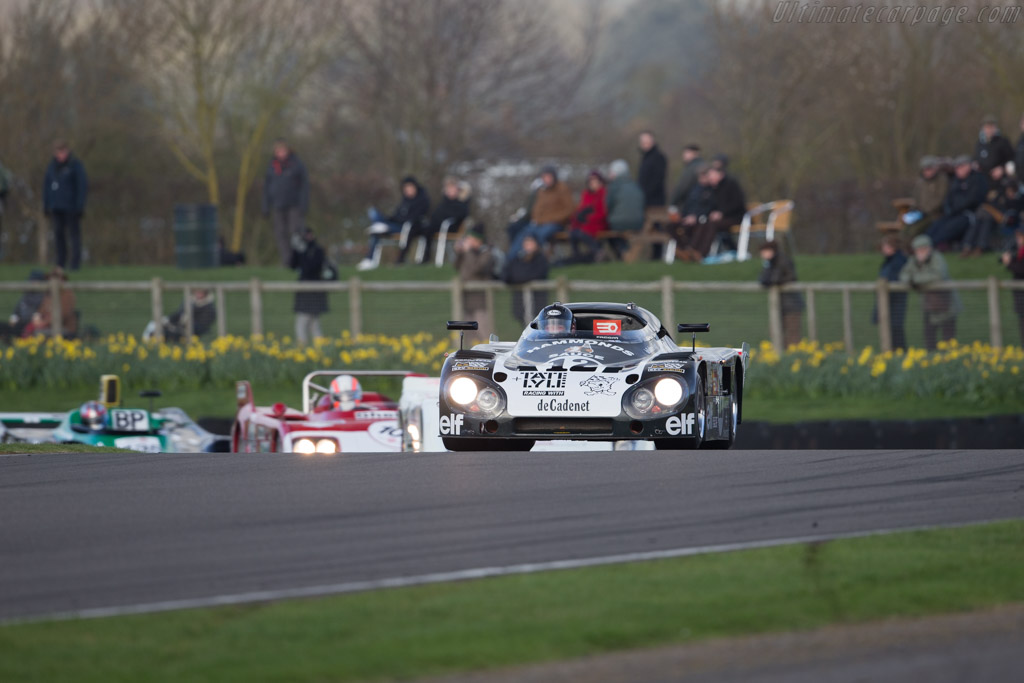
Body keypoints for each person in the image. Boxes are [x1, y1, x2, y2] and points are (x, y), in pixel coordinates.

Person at [900, 235, 961, 350]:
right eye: (917, 250)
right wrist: (910, 280)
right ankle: (931, 360)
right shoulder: (913, 261)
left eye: (923, 249)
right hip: (929, 305)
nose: (920, 252)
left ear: (929, 249)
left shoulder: (937, 258)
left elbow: (938, 275)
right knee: (929, 335)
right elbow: (904, 274)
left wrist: (916, 280)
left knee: (948, 337)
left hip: (947, 304)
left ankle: (949, 360)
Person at [675, 163, 746, 261]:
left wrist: (722, 213)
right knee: (703, 224)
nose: (710, 179)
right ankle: (691, 250)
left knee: (711, 225)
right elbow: (711, 206)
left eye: (712, 176)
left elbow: (738, 204)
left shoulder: (731, 184)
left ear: (720, 175)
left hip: (734, 217)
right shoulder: (714, 188)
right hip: (720, 219)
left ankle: (700, 253)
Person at [358, 175, 430, 271]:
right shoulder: (404, 201)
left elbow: (416, 218)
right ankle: (369, 259)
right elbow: (396, 216)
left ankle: (380, 225)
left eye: (409, 187)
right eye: (405, 188)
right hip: (395, 224)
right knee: (374, 216)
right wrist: (388, 219)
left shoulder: (422, 200)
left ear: (415, 187)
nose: (407, 190)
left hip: (407, 228)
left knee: (378, 228)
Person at [398, 176, 469, 265]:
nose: (449, 190)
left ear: (457, 189)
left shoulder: (461, 202)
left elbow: (460, 216)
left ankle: (426, 258)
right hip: (438, 226)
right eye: (448, 188)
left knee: (428, 230)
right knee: (417, 228)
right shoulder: (444, 202)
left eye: (452, 188)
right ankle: (403, 257)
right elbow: (436, 215)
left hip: (450, 227)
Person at [506, 166, 574, 257]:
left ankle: (533, 258)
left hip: (556, 224)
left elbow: (569, 209)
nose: (547, 179)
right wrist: (537, 219)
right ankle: (511, 259)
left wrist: (550, 219)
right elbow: (536, 209)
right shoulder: (542, 191)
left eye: (549, 177)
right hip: (539, 223)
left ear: (554, 177)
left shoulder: (562, 189)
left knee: (539, 235)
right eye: (544, 177)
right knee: (523, 234)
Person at [262, 138, 309, 267]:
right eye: (278, 151)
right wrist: (265, 206)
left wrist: (303, 204)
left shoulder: (297, 164)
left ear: (288, 150)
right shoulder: (272, 166)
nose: (280, 153)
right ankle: (287, 262)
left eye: (283, 150)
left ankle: (300, 260)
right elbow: (267, 186)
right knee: (280, 234)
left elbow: (304, 186)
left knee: (296, 233)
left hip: (295, 205)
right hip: (277, 205)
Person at [42, 141, 88, 270]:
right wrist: (46, 205)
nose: (60, 154)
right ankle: (60, 263)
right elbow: (46, 187)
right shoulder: (51, 166)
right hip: (56, 207)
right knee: (58, 235)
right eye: (58, 151)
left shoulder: (75, 165)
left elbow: (82, 186)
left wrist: (80, 205)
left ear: (67, 151)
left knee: (74, 236)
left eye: (62, 151)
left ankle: (75, 264)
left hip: (72, 207)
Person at [926, 155, 987, 250]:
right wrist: (948, 208)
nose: (957, 170)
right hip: (952, 213)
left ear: (968, 166)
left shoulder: (977, 179)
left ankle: (931, 245)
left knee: (949, 228)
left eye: (960, 167)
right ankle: (924, 243)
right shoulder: (956, 181)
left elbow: (973, 199)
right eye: (956, 168)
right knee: (936, 225)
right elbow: (948, 197)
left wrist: (956, 208)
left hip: (968, 214)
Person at [961, 164, 1020, 257]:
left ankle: (969, 246)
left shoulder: (1016, 199)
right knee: (981, 220)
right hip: (992, 216)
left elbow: (1010, 211)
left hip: (1004, 219)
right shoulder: (999, 192)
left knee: (983, 218)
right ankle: (975, 247)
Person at [454, 223, 495, 345]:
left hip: (481, 302)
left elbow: (476, 268)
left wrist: (469, 251)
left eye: (471, 239)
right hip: (467, 301)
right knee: (469, 336)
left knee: (484, 334)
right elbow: (456, 267)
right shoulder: (467, 254)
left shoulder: (486, 253)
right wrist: (459, 253)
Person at [758, 241, 804, 349]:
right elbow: (763, 278)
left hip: (791, 304)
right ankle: (778, 354)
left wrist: (773, 280)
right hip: (778, 305)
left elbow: (786, 277)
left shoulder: (783, 261)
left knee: (792, 334)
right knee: (775, 331)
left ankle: (792, 356)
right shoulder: (769, 263)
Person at [290, 227, 328, 346]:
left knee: (306, 322)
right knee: (312, 323)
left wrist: (303, 251)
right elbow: (292, 265)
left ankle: (304, 347)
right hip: (304, 288)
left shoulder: (317, 250)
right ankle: (316, 347)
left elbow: (311, 268)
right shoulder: (301, 250)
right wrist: (296, 250)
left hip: (314, 289)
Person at [504, 234, 549, 325]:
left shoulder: (541, 259)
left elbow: (534, 275)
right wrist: (518, 277)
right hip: (520, 302)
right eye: (526, 243)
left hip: (537, 302)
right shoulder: (517, 259)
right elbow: (506, 275)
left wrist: (517, 277)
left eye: (530, 243)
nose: (527, 246)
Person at [872, 235, 909, 351]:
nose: (884, 249)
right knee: (890, 329)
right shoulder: (888, 261)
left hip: (895, 301)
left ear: (894, 247)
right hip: (887, 301)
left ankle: (899, 354)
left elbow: (893, 280)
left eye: (886, 246)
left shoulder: (898, 261)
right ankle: (894, 354)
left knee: (895, 328)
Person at [143, 288, 216, 343]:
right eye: (197, 292)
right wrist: (168, 321)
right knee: (154, 324)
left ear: (205, 294)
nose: (198, 294)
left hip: (191, 331)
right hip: (179, 326)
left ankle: (152, 344)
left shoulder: (208, 307)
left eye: (201, 293)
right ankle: (147, 343)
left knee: (166, 333)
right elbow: (178, 314)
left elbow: (202, 325)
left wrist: (182, 325)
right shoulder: (189, 302)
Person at [605, 159, 645, 259]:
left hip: (618, 223)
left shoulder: (614, 186)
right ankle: (626, 254)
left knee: (609, 233)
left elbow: (608, 205)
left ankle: (623, 254)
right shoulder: (635, 185)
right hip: (638, 222)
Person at [566, 170, 608, 263]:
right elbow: (580, 209)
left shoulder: (603, 193)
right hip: (585, 223)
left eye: (595, 181)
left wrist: (588, 219)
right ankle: (576, 256)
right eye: (591, 181)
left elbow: (602, 213)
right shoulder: (586, 194)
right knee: (573, 232)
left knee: (581, 232)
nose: (593, 183)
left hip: (597, 223)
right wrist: (576, 219)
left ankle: (598, 251)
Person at [903, 156, 950, 236]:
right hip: (920, 213)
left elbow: (941, 199)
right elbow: (916, 198)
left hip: (934, 214)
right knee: (905, 229)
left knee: (915, 230)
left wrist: (926, 211)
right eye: (925, 169)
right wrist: (912, 209)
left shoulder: (942, 180)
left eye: (929, 169)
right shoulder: (920, 182)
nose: (927, 172)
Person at [25, 267, 77, 338]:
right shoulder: (48, 294)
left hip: (64, 328)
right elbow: (41, 310)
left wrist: (44, 322)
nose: (53, 280)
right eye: (51, 277)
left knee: (38, 333)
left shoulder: (67, 294)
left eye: (56, 277)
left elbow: (63, 314)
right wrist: (37, 318)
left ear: (62, 279)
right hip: (47, 326)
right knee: (28, 330)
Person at [0, 270, 47, 342]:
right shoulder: (27, 295)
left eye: (34, 281)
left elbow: (40, 312)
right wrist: (14, 318)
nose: (31, 283)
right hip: (20, 322)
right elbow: (17, 309)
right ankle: (9, 346)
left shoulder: (43, 297)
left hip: (30, 324)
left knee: (17, 330)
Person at [1001, 226, 1024, 345]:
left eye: (1020, 237)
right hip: (1020, 297)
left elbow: (1021, 269)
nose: (1018, 240)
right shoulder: (1019, 251)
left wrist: (1009, 263)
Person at [637, 131, 667, 209]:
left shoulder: (658, 158)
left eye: (647, 141)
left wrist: (644, 194)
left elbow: (657, 180)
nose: (644, 144)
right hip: (644, 201)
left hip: (654, 202)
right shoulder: (645, 158)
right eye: (643, 142)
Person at [669, 144, 703, 209]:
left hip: (690, 205)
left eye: (687, 152)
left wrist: (673, 203)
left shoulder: (691, 168)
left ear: (695, 153)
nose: (684, 155)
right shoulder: (703, 165)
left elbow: (682, 187)